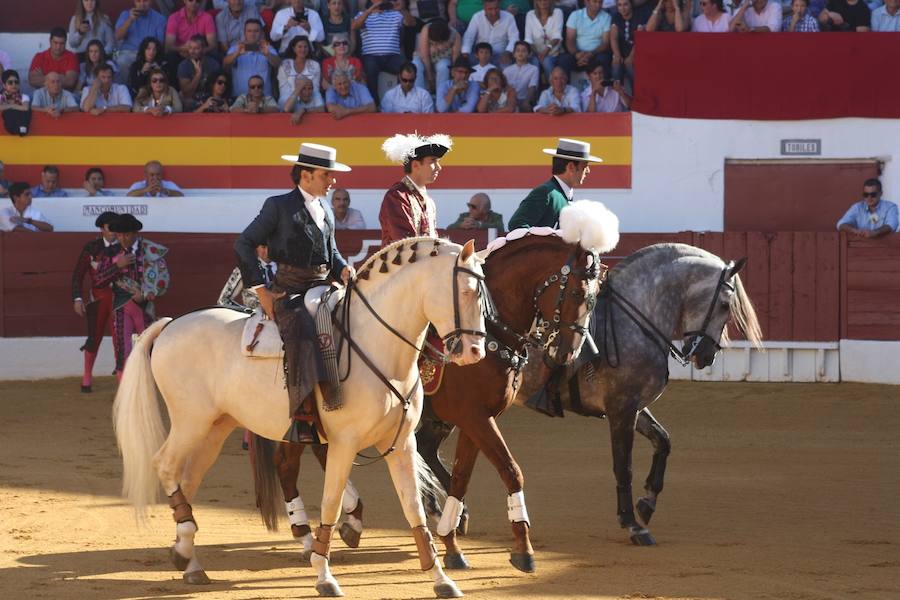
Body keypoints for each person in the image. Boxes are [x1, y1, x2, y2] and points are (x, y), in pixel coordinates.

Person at [234, 141, 354, 443]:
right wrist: (261, 290)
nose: (333, 181)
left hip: (324, 285)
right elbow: (244, 243)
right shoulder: (278, 205)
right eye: (327, 175)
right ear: (306, 175)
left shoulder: (325, 206)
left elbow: (332, 251)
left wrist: (343, 269)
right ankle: (302, 415)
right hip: (288, 290)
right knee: (301, 331)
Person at [96, 213, 170, 380]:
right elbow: (98, 281)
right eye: (119, 235)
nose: (123, 239)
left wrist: (146, 293)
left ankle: (150, 387)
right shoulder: (111, 253)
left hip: (144, 307)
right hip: (121, 306)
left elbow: (163, 278)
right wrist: (117, 266)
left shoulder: (149, 250)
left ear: (135, 233)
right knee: (123, 348)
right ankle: (125, 391)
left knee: (149, 347)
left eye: (127, 234)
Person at [71, 211, 120, 392]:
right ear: (102, 229)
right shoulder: (92, 248)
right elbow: (78, 275)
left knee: (120, 339)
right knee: (94, 337)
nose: (114, 231)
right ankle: (86, 377)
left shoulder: (125, 246)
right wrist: (77, 298)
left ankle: (122, 381)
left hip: (119, 299)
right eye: (110, 228)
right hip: (98, 298)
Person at [508, 138, 603, 229]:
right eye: (585, 166)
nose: (588, 171)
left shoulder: (560, 194)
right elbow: (517, 224)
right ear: (571, 167)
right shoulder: (546, 193)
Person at [379, 132, 452, 246]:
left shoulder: (428, 201)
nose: (439, 167)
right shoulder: (397, 196)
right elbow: (406, 243)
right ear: (416, 165)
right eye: (433, 161)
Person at [352, 0, 415, 104]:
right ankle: (374, 105)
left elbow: (411, 23)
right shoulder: (362, 14)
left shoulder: (396, 14)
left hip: (393, 56)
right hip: (371, 56)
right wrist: (371, 10)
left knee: (406, 69)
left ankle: (404, 102)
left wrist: (402, 10)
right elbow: (354, 26)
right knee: (370, 70)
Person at [224, 19, 281, 96]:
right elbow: (225, 64)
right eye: (249, 31)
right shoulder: (236, 48)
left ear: (261, 33)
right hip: (240, 97)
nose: (252, 34)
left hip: (264, 97)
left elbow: (278, 64)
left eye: (256, 31)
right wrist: (236, 54)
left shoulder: (267, 48)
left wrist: (268, 54)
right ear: (244, 33)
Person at [114, 0, 168, 78]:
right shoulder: (126, 14)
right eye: (139, 1)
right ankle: (124, 89)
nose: (142, 4)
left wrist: (148, 55)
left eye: (145, 1)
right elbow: (117, 36)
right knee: (122, 61)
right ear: (135, 2)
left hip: (149, 54)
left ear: (150, 2)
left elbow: (159, 44)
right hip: (129, 53)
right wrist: (130, 19)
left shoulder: (160, 19)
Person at [558, 0, 612, 78]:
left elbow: (605, 43)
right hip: (577, 54)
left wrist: (591, 54)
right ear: (586, 2)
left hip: (596, 54)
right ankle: (565, 89)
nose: (598, 5)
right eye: (595, 2)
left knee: (603, 59)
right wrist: (577, 54)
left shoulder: (606, 17)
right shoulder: (575, 15)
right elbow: (570, 40)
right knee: (563, 60)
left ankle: (604, 88)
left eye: (600, 2)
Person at [164, 0, 217, 73]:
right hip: (181, 53)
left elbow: (213, 45)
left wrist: (198, 52)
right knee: (170, 56)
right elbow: (168, 46)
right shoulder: (174, 18)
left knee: (216, 56)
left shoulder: (207, 18)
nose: (194, 3)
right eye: (191, 0)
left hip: (200, 52)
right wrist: (183, 49)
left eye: (198, 1)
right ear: (185, 1)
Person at [218, 243, 275, 310]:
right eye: (263, 247)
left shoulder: (286, 269)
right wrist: (246, 312)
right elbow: (223, 300)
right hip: (255, 318)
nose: (267, 251)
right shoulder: (245, 269)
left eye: (270, 247)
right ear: (257, 247)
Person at [461, 0, 518, 65]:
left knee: (506, 67)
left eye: (496, 8)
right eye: (490, 9)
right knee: (466, 63)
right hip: (479, 55)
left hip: (500, 55)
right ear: (484, 8)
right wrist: (465, 53)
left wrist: (508, 52)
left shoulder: (509, 17)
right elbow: (469, 37)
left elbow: (514, 37)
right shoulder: (477, 17)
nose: (494, 12)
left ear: (500, 6)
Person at [412, 18, 460, 93]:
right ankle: (419, 97)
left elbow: (455, 61)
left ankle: (440, 96)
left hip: (442, 58)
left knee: (444, 66)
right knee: (416, 65)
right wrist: (430, 79)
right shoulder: (426, 29)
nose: (436, 46)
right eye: (433, 43)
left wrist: (453, 76)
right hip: (423, 57)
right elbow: (425, 56)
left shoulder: (455, 35)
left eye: (439, 43)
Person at [177, 35, 220, 108]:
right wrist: (198, 75)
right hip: (191, 99)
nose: (192, 51)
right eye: (190, 48)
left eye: (196, 48)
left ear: (204, 49)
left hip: (209, 98)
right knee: (184, 98)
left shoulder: (214, 65)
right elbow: (187, 93)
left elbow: (217, 90)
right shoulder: (184, 65)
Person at [525, 0, 564, 80]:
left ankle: (553, 88)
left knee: (547, 61)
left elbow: (557, 36)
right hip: (535, 53)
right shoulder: (530, 14)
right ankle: (535, 90)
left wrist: (546, 50)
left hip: (552, 52)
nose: (543, 2)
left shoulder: (558, 12)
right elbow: (528, 38)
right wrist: (536, 53)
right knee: (534, 62)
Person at [278, 36, 322, 102]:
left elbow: (315, 89)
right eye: (300, 47)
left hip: (310, 100)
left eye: (305, 47)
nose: (303, 50)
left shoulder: (315, 65)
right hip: (288, 100)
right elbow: (284, 90)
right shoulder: (284, 65)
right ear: (294, 49)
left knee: (319, 100)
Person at [503, 41, 539, 112]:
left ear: (529, 54)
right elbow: (504, 87)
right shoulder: (507, 70)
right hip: (509, 100)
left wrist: (526, 102)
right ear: (514, 54)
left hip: (524, 99)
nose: (520, 53)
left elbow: (532, 87)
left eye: (524, 51)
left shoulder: (534, 69)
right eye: (518, 50)